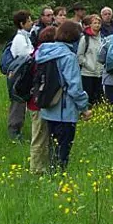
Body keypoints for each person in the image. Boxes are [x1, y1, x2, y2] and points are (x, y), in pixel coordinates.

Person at [36, 21, 92, 171]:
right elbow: (74, 87)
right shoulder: (68, 57)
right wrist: (84, 108)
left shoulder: (44, 52)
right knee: (63, 149)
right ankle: (58, 177)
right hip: (64, 110)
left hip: (48, 107)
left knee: (52, 146)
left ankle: (52, 173)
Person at [28, 25, 56, 175]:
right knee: (39, 137)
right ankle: (36, 169)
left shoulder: (38, 52)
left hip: (37, 101)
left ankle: (42, 166)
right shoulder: (43, 55)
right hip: (38, 102)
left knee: (43, 136)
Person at [7, 9, 34, 141]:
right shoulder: (19, 38)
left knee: (22, 104)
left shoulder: (25, 37)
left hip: (23, 75)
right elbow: (26, 55)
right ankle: (14, 132)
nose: (32, 23)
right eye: (29, 21)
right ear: (22, 24)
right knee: (18, 103)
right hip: (18, 75)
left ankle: (18, 131)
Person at [77, 14, 104, 106]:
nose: (97, 25)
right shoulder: (85, 38)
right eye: (94, 23)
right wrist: (88, 65)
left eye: (98, 23)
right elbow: (79, 56)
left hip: (100, 73)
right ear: (90, 25)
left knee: (99, 98)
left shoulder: (103, 39)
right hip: (87, 73)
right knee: (88, 97)